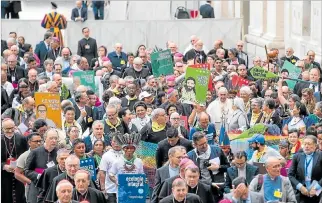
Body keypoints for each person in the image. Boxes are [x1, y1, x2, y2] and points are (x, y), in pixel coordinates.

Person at [24, 128, 59, 203]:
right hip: (37, 188)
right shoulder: (35, 152)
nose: (54, 140)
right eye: (51, 138)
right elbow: (27, 171)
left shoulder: (59, 152)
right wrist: (38, 176)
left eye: (56, 138)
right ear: (45, 138)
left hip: (52, 189)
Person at [1, 118, 28, 203]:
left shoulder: (22, 138)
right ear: (2, 129)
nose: (10, 131)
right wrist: (3, 166)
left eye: (12, 128)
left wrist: (21, 166)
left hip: (19, 174)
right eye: (7, 129)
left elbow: (27, 155)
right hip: (3, 176)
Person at [288, 135, 322, 203]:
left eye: (309, 144)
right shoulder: (297, 156)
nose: (306, 146)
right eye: (305, 144)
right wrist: (300, 187)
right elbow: (290, 175)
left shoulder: (320, 156)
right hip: (302, 192)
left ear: (315, 146)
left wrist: (316, 187)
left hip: (317, 191)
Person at [14, 133, 42, 198]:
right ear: (29, 143)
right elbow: (17, 174)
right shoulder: (24, 156)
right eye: (36, 141)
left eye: (40, 141)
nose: (39, 143)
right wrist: (30, 182)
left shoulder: (46, 153)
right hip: (32, 187)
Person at [98, 133, 123, 203]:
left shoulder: (126, 154)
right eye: (114, 141)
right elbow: (102, 172)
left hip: (124, 189)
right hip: (110, 190)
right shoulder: (106, 155)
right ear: (111, 142)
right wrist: (103, 188)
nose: (116, 144)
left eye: (119, 141)